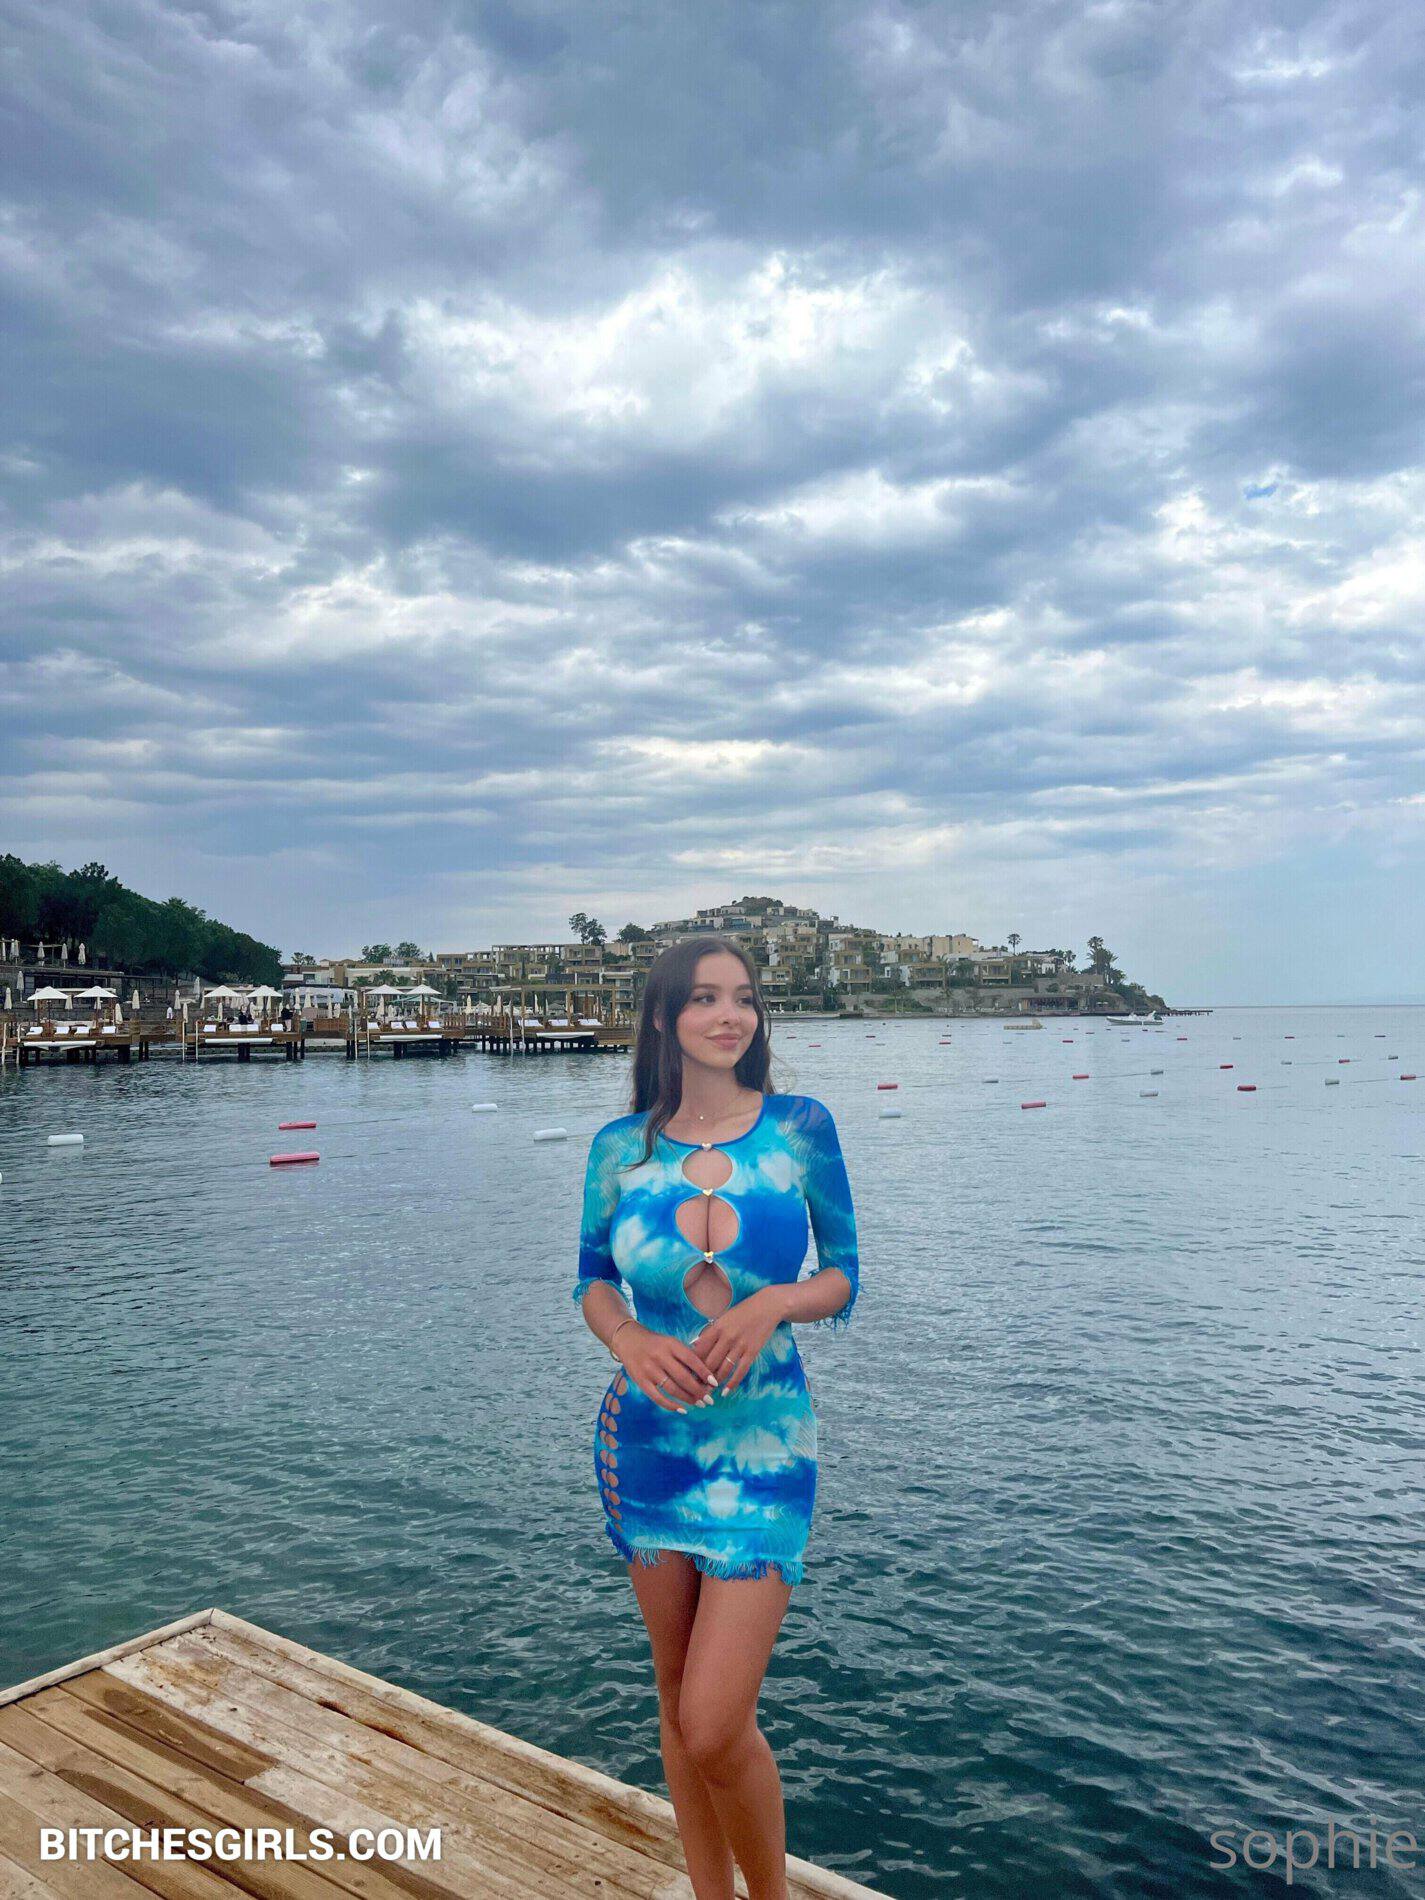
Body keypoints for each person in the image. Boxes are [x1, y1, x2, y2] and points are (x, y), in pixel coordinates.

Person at [572, 934, 860, 1900]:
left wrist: (772, 1301)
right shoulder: (620, 1148)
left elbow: (842, 1275)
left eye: (741, 997)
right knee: (672, 1696)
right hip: (646, 1442)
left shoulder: (800, 1127)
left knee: (712, 1720)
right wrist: (627, 1341)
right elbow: (591, 1281)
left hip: (766, 1447)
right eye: (703, 998)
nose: (728, 1015)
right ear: (664, 1018)